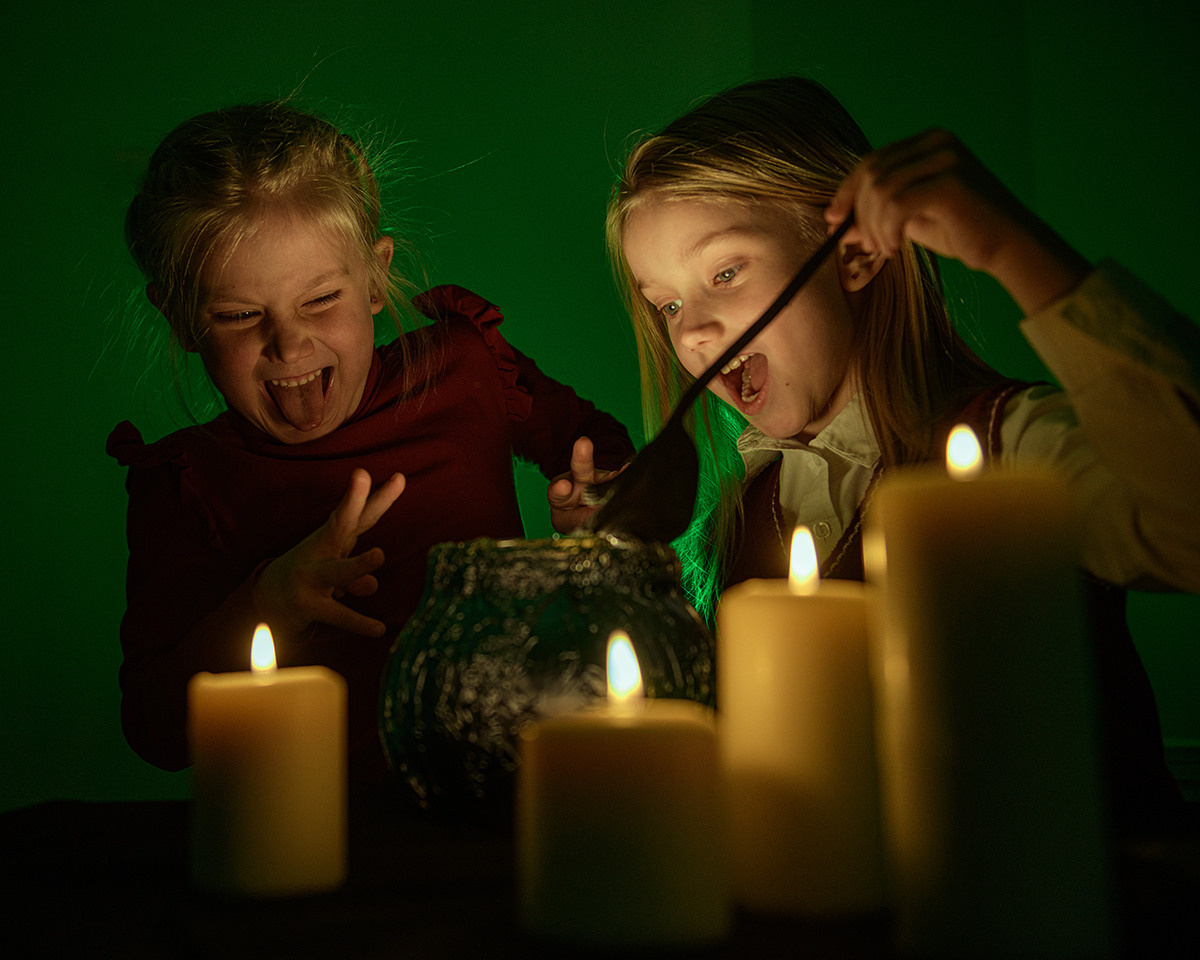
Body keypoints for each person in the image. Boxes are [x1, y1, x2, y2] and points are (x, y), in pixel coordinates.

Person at [606, 76, 1200, 833]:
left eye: (725, 273)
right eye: (668, 304)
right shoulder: (738, 511)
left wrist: (1011, 246)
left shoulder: (1013, 450)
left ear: (853, 258)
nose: (691, 331)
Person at [108, 101, 632, 781]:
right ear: (180, 319)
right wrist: (269, 602)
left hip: (516, 802)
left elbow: (599, 449)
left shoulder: (462, 368)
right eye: (239, 315)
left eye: (321, 299)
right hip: (314, 838)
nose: (289, 342)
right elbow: (153, 728)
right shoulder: (187, 484)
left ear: (375, 276)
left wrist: (598, 504)